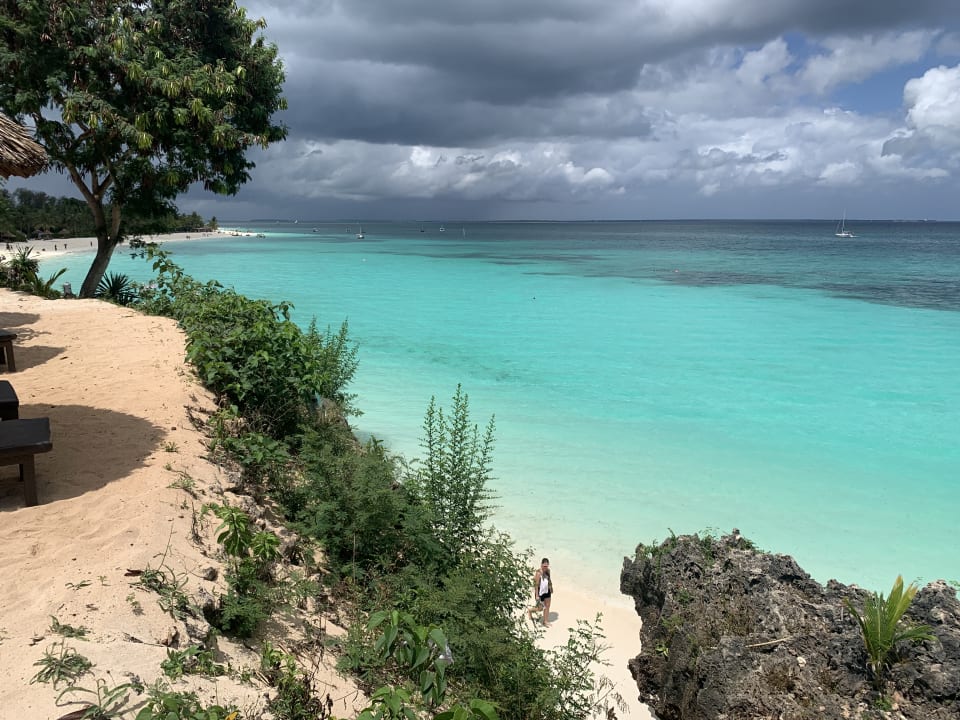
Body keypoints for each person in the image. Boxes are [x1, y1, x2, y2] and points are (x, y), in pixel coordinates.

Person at [527, 557, 553, 626]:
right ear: (541, 565)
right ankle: (530, 610)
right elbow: (536, 585)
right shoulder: (538, 573)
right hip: (540, 592)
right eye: (544, 566)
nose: (545, 567)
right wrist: (537, 595)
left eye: (546, 566)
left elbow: (549, 580)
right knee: (540, 608)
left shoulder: (548, 571)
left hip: (547, 591)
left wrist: (551, 587)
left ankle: (545, 621)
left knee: (547, 606)